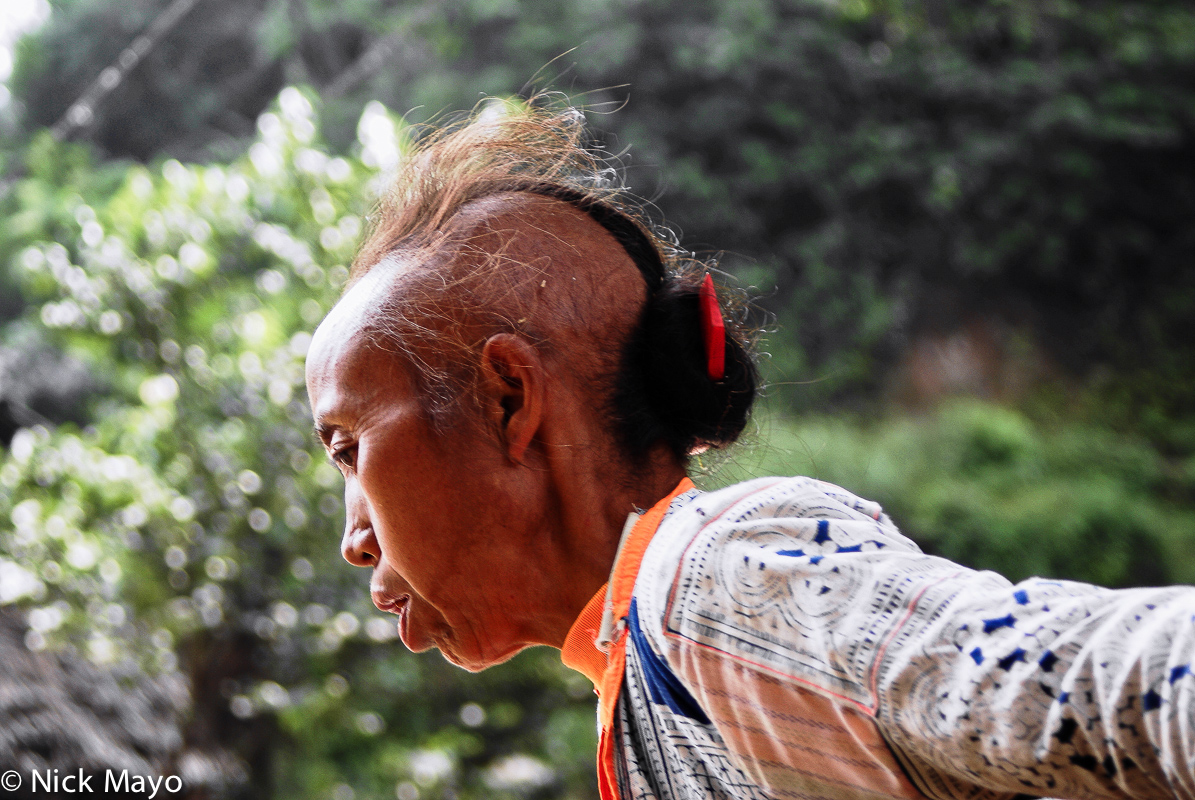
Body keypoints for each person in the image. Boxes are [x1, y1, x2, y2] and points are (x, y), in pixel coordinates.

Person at [304, 103, 1195, 800]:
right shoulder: (644, 665)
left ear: (509, 401)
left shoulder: (714, 579)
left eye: (348, 448)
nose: (353, 537)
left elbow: (1115, 674)